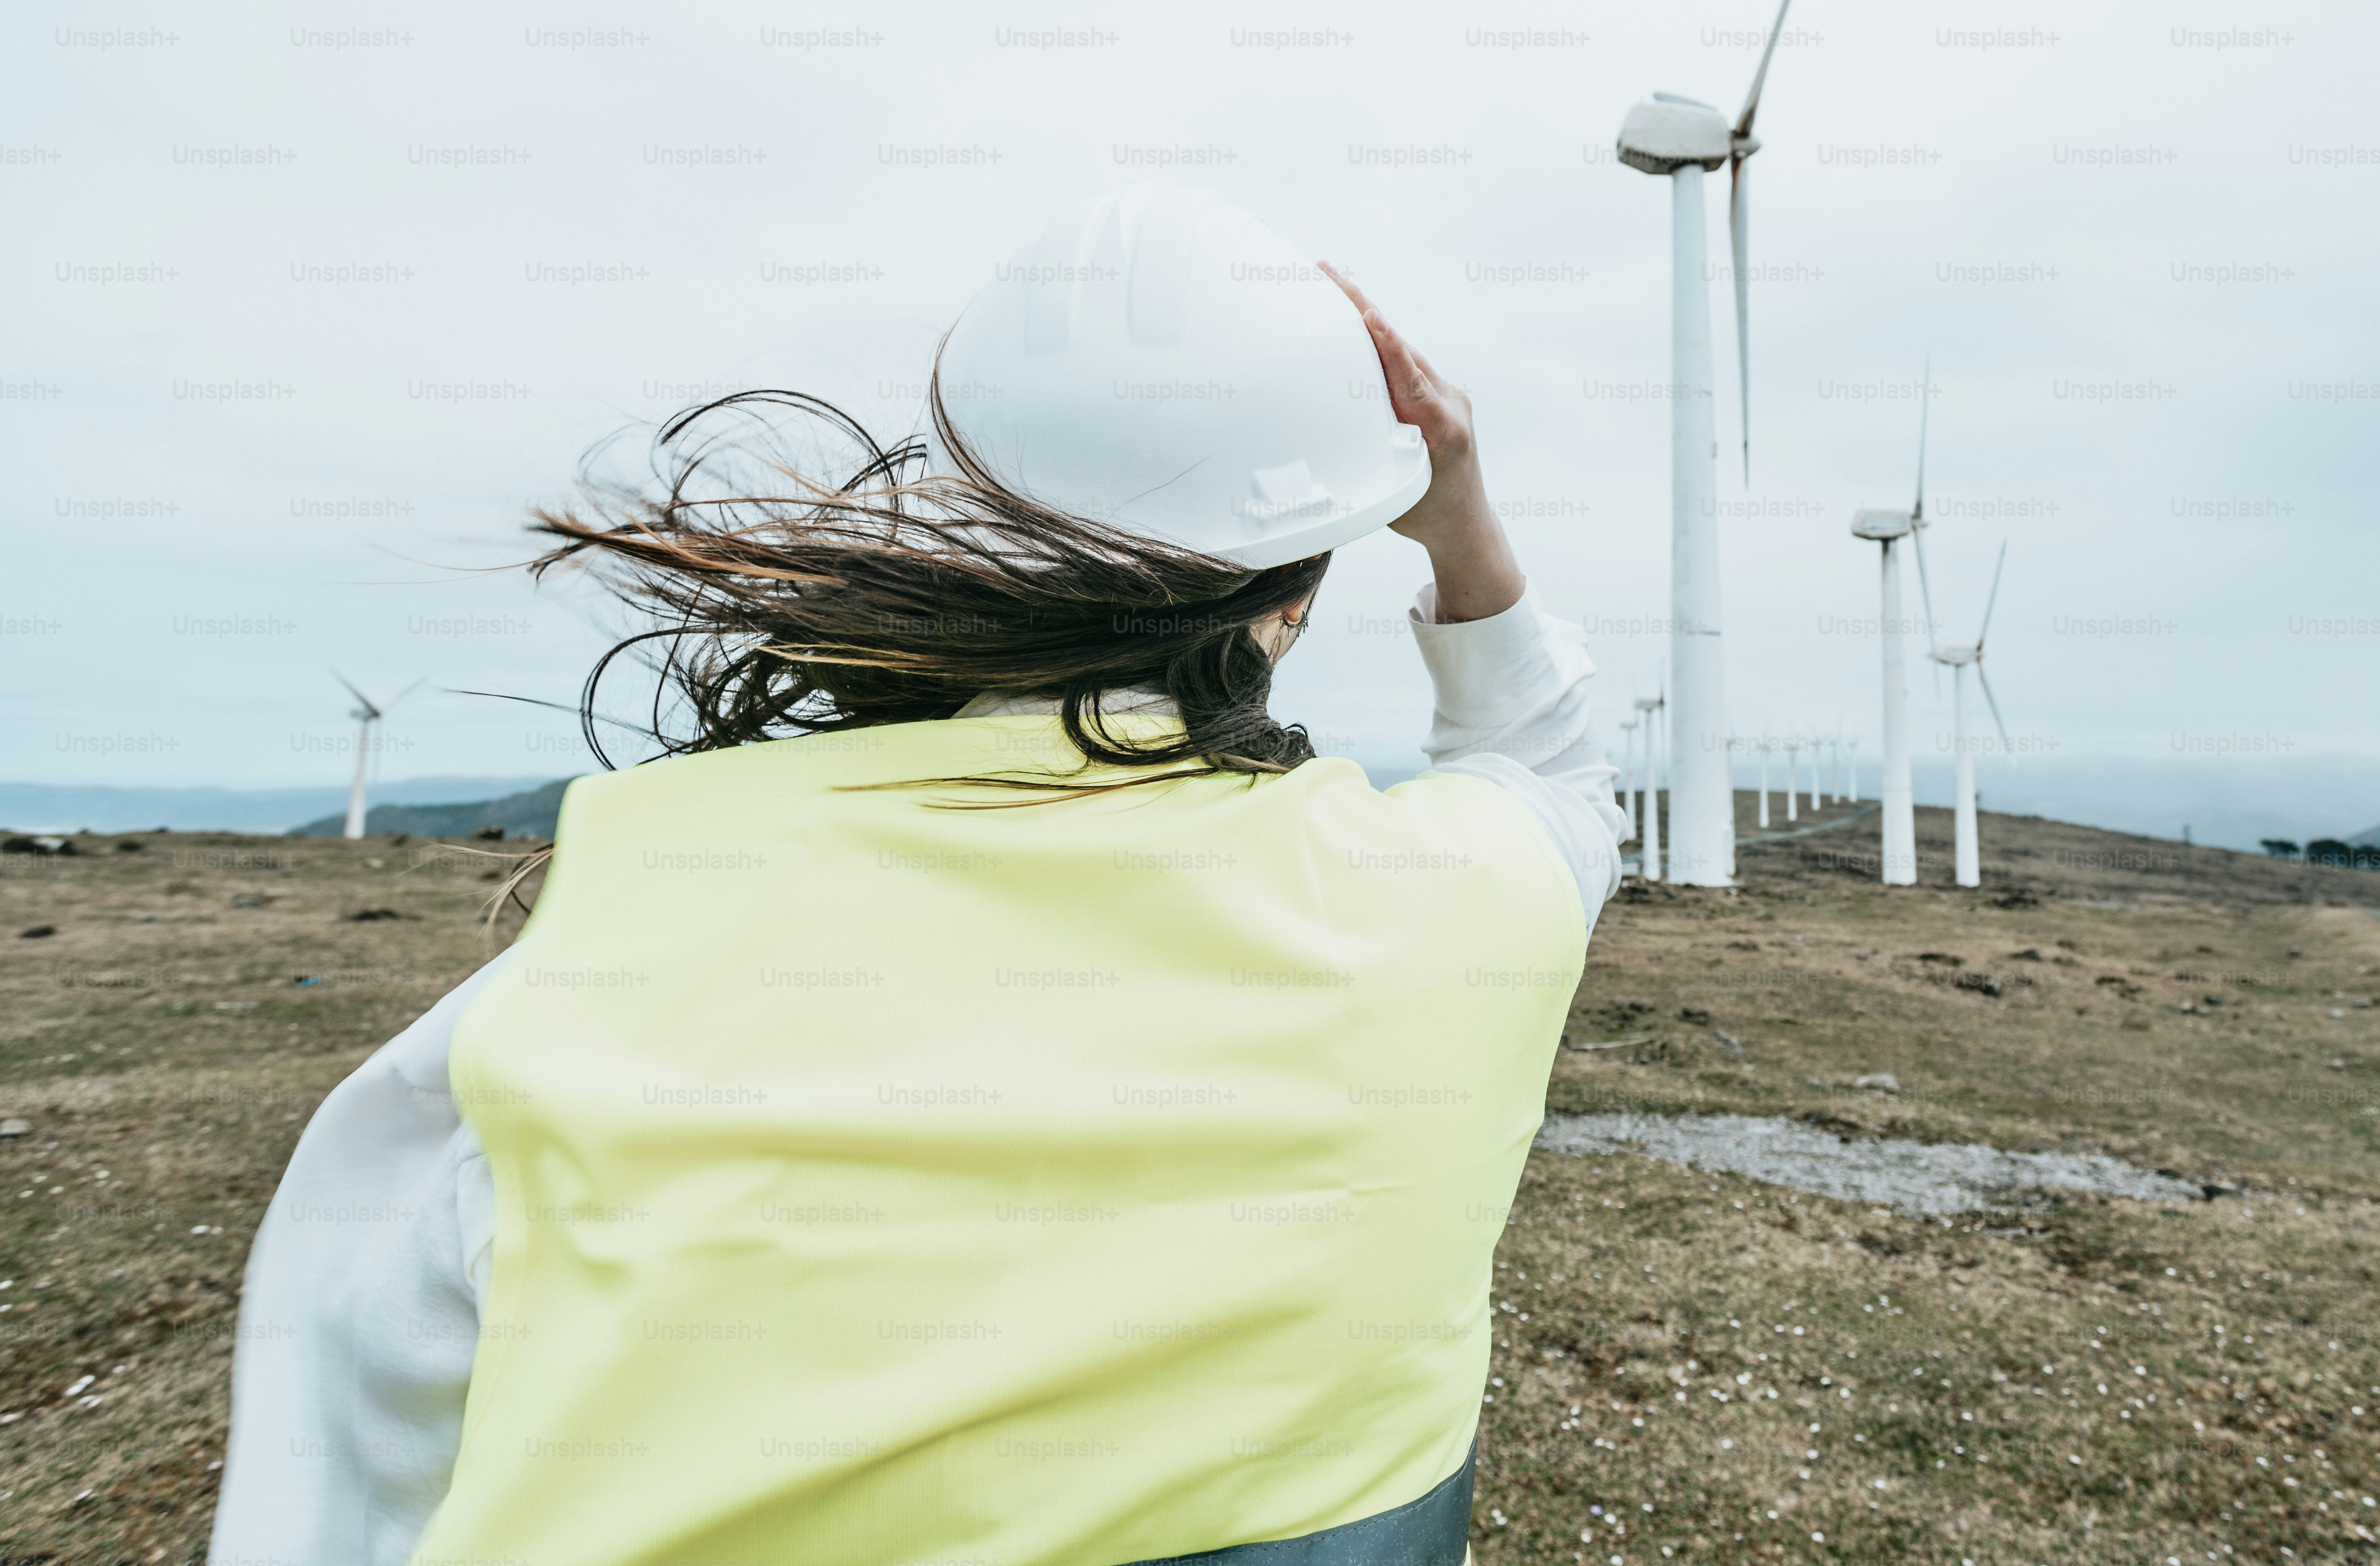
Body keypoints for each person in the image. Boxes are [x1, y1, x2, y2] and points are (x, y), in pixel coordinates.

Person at [209, 187, 1625, 1566]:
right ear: (1304, 581)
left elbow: (341, 1487)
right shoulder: (1466, 907)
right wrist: (1455, 512)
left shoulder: (580, 990)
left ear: (978, 510)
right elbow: (1551, 766)